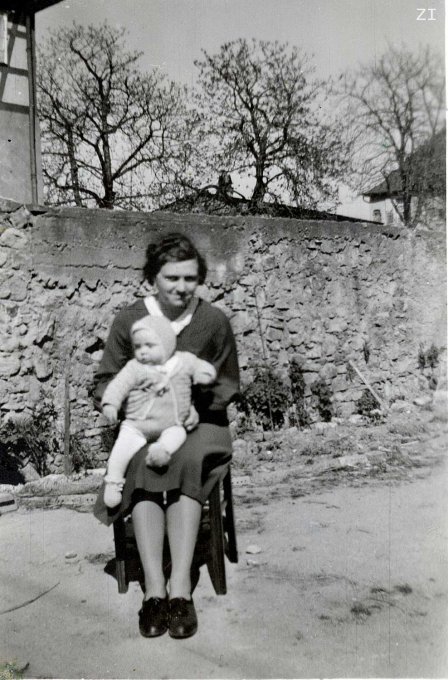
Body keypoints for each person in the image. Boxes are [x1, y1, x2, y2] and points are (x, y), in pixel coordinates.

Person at [93, 232, 240, 640]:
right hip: (147, 421)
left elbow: (227, 382)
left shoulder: (212, 322)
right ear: (152, 279)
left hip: (203, 421)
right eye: (171, 278)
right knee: (143, 460)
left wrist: (198, 405)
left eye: (190, 278)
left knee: (187, 458)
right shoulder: (129, 321)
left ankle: (181, 592)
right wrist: (130, 407)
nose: (181, 287)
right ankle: (154, 591)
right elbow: (107, 380)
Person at [101, 314, 216, 508]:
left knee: (178, 434)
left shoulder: (182, 361)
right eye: (138, 347)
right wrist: (110, 404)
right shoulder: (135, 367)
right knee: (121, 450)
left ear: (166, 342)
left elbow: (200, 366)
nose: (142, 352)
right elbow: (118, 385)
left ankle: (161, 451)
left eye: (149, 346)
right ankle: (113, 482)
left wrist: (204, 374)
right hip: (138, 425)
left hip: (172, 423)